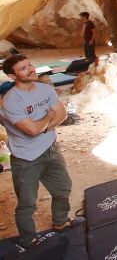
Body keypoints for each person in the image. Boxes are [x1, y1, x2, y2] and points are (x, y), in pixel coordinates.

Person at [1, 54, 72, 248]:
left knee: (63, 189)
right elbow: (31, 130)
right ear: (11, 75)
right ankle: (28, 241)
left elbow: (62, 114)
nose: (30, 69)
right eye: (23, 68)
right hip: (26, 159)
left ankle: (60, 222)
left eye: (29, 65)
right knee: (27, 205)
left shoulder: (45, 89)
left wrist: (46, 125)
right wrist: (48, 118)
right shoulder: (11, 101)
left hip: (51, 149)